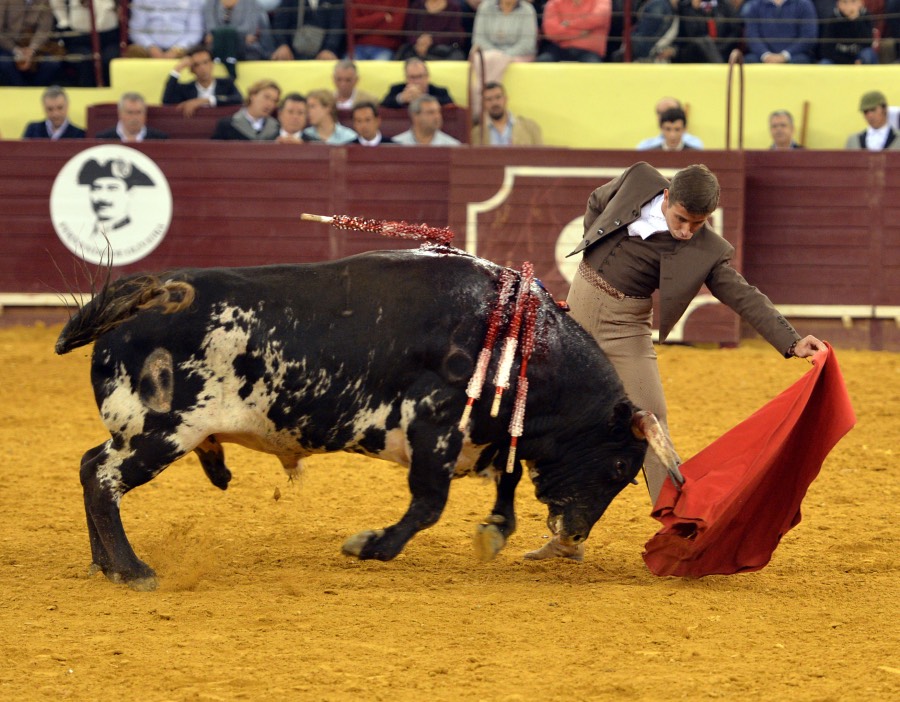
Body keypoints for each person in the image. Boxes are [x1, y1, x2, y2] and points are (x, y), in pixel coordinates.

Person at [525, 162, 825, 561]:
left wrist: (791, 340)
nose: (686, 231)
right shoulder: (639, 180)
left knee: (651, 422)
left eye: (697, 224)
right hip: (574, 325)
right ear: (666, 198)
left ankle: (684, 532)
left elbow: (741, 293)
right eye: (682, 219)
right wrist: (593, 242)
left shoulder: (706, 250)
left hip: (624, 330)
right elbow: (597, 200)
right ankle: (568, 538)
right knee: (558, 429)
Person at [77, 157, 155, 238]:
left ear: (130, 193)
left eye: (112, 188)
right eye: (96, 188)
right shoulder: (84, 233)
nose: (102, 197)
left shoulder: (136, 235)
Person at [50, 0, 119, 86]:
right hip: (79, 35)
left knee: (110, 60)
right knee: (85, 61)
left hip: (109, 35)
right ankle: (89, 95)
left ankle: (110, 95)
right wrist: (63, 20)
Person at [162, 45, 244, 116]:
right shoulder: (186, 89)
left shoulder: (226, 83)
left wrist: (204, 101)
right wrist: (178, 68)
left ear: (212, 64)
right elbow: (167, 102)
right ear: (191, 70)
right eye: (197, 65)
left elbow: (238, 99)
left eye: (206, 62)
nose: (202, 68)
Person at [203, 0, 274, 75]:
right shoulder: (211, 3)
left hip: (246, 50)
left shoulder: (252, 3)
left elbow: (249, 29)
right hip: (217, 49)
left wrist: (220, 36)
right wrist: (241, 37)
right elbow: (210, 29)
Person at [0, 0, 61, 87]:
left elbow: (44, 30)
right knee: (4, 63)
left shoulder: (44, 2)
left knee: (51, 63)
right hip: (9, 46)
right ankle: (19, 90)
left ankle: (36, 92)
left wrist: (32, 49)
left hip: (36, 46)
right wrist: (16, 49)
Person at [742, 0, 818, 64]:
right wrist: (765, 55)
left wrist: (785, 55)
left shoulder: (804, 4)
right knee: (750, 60)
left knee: (800, 61)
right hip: (761, 55)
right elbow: (752, 35)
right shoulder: (754, 5)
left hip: (795, 55)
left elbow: (808, 36)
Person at [536, 0, 612, 63]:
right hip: (559, 49)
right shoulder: (554, 2)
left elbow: (598, 19)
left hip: (590, 51)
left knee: (594, 69)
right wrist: (579, 33)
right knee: (542, 62)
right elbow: (551, 32)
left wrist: (568, 24)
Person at [125, 0, 205, 59]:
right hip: (148, 49)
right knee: (134, 51)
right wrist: (151, 47)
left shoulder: (194, 2)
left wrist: (177, 49)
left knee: (198, 55)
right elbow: (136, 30)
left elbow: (195, 32)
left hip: (182, 50)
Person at [469, 81, 543, 145]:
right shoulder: (477, 134)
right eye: (489, 99)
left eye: (498, 97)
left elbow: (541, 157)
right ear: (483, 104)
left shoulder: (529, 128)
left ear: (505, 99)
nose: (494, 103)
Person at [269, 0, 345, 60]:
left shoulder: (336, 1)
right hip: (293, 52)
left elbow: (336, 26)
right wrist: (282, 45)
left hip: (323, 52)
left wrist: (329, 49)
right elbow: (279, 24)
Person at [395, 0, 467, 61]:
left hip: (443, 53)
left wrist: (431, 40)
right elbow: (408, 32)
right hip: (416, 50)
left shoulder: (454, 8)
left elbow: (455, 35)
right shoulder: (417, 5)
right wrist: (419, 41)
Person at [674, 0, 743, 63]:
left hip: (723, 50)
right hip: (694, 52)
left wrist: (720, 48)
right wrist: (695, 10)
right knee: (703, 40)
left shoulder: (725, 5)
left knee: (707, 43)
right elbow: (692, 33)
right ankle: (720, 70)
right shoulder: (686, 6)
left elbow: (735, 30)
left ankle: (718, 66)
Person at [211, 78, 281, 139]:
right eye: (266, 97)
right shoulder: (228, 125)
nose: (270, 104)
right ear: (253, 95)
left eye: (274, 101)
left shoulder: (276, 128)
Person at [380, 57, 455, 109]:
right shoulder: (396, 89)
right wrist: (401, 98)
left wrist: (424, 98)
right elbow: (383, 105)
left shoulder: (440, 91)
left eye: (420, 76)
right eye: (412, 77)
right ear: (406, 78)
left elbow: (450, 105)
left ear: (427, 77)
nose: (416, 81)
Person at [817, 0, 877, 64]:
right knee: (824, 63)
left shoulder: (866, 16)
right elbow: (827, 50)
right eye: (844, 2)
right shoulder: (833, 19)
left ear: (861, 3)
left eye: (853, 1)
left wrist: (856, 20)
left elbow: (868, 43)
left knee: (868, 54)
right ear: (838, 4)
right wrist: (850, 63)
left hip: (859, 57)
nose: (849, 6)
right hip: (839, 59)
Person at [96, 93, 169, 141]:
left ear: (145, 114)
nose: (134, 117)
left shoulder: (159, 139)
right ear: (120, 113)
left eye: (138, 112)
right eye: (130, 113)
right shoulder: (103, 139)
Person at [392, 94, 461, 145]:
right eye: (431, 112)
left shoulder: (452, 145)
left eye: (439, 112)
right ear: (415, 116)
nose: (437, 117)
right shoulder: (397, 144)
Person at [637, 97, 704, 149]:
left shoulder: (695, 145)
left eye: (677, 129)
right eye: (661, 113)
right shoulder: (646, 147)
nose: (672, 135)